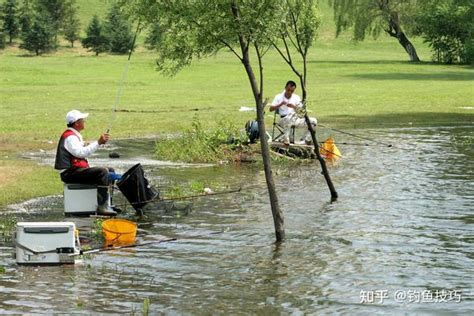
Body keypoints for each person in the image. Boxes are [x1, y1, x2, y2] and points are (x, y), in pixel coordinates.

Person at [54, 110, 117, 215]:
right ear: (77, 123)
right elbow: (81, 153)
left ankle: (108, 204)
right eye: (82, 120)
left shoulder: (73, 135)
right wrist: (98, 143)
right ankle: (102, 207)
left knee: (110, 170)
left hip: (74, 171)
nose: (84, 121)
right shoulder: (70, 137)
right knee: (102, 172)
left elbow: (78, 150)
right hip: (69, 173)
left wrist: (90, 144)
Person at [269, 80, 317, 145]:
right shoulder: (278, 97)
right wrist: (281, 104)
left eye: (292, 91)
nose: (289, 92)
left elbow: (301, 112)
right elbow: (271, 109)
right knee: (289, 118)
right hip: (283, 120)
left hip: (295, 119)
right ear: (285, 88)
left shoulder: (296, 97)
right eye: (288, 90)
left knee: (313, 121)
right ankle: (286, 139)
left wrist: (294, 106)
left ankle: (305, 140)